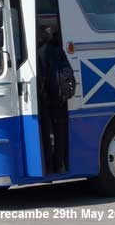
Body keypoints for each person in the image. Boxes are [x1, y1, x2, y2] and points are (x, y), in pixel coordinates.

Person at [37, 25, 75, 174]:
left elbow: (41, 81)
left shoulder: (39, 53)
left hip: (47, 100)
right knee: (60, 132)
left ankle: (50, 165)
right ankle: (61, 163)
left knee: (48, 133)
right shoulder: (59, 51)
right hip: (60, 98)